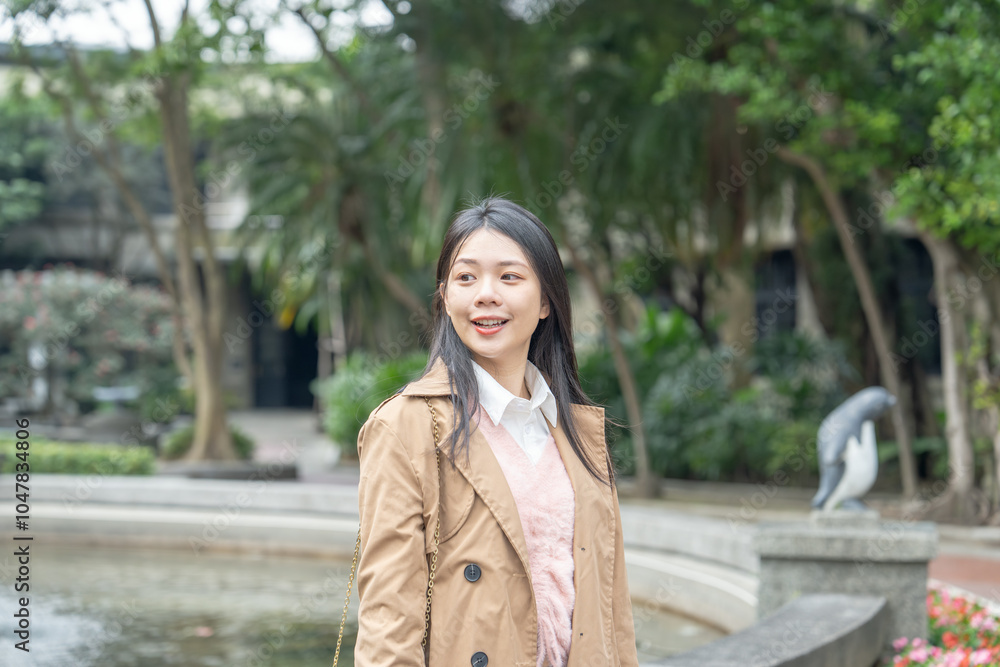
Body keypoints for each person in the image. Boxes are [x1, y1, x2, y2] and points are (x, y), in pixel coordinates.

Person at [354, 196, 638, 667]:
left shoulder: (577, 430)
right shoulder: (406, 427)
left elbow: (612, 612)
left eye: (510, 276)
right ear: (445, 298)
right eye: (466, 278)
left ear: (546, 300)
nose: (486, 294)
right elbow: (388, 622)